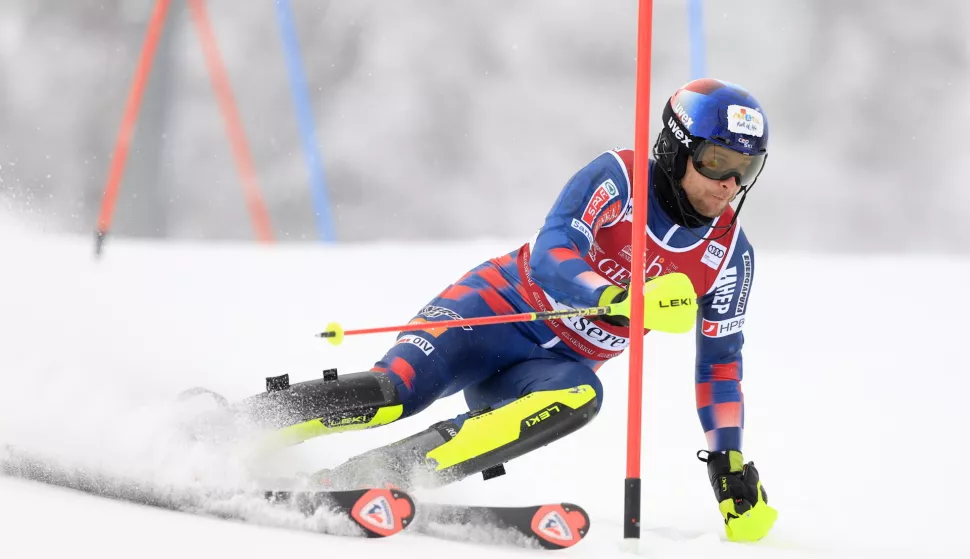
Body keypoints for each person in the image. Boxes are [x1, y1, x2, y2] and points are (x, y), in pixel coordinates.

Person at [247, 78, 777, 542]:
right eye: (715, 162)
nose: (728, 185)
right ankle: (242, 425)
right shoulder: (618, 177)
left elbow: (720, 364)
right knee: (397, 392)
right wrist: (613, 299)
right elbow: (552, 253)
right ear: (676, 147)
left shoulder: (729, 255)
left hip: (546, 369)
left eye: (743, 169)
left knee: (581, 395)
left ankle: (378, 474)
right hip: (492, 312)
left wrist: (727, 463)